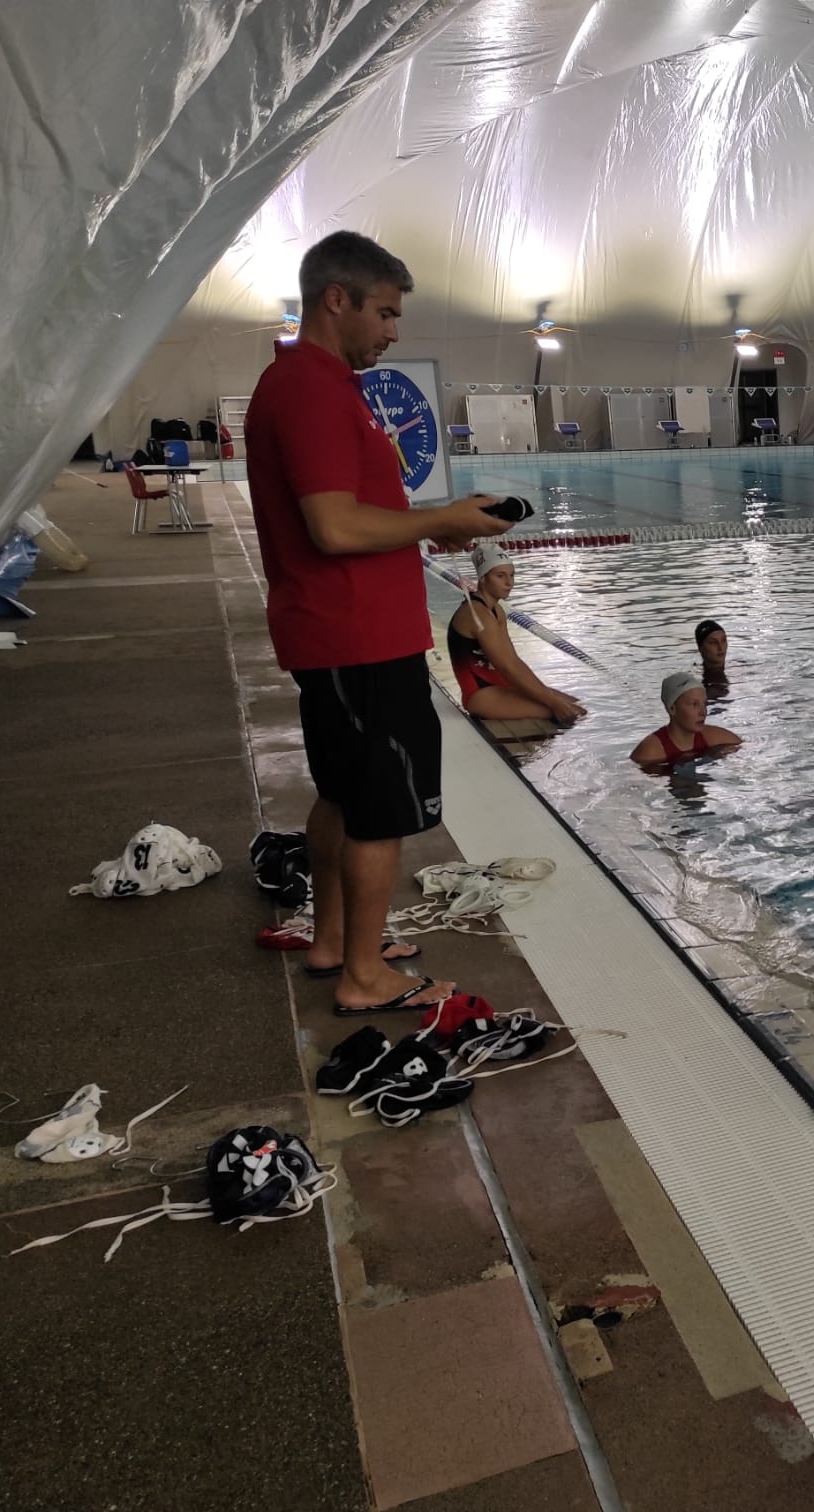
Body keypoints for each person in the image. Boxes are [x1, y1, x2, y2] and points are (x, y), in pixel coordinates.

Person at [245, 230, 513, 1015]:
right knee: (380, 809)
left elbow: (352, 517)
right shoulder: (312, 390)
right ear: (338, 299)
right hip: (357, 636)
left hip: (342, 631)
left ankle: (336, 941)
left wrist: (427, 529)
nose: (394, 332)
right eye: (386, 314)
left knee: (340, 794)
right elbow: (333, 527)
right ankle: (365, 976)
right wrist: (441, 516)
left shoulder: (311, 384)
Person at [447, 542, 586, 724]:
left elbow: (513, 661)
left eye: (512, 575)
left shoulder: (496, 610)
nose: (509, 582)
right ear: (483, 578)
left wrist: (549, 697)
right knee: (572, 712)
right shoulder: (477, 614)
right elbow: (509, 666)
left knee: (576, 705)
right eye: (500, 576)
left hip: (500, 686)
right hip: (481, 695)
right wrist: (553, 702)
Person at [630, 671, 741, 767]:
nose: (703, 712)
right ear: (672, 709)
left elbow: (743, 749)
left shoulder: (714, 737)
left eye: (704, 704)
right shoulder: (650, 752)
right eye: (694, 704)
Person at [695, 618, 729, 697]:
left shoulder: (742, 667)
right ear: (700, 648)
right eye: (713, 642)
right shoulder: (695, 680)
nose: (720, 647)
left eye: (723, 640)